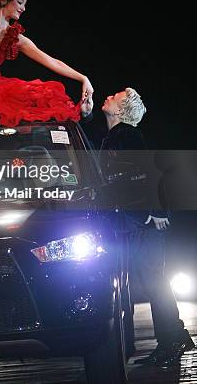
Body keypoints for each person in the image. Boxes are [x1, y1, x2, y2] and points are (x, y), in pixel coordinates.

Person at [81, 89, 195, 368]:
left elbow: (149, 173)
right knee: (148, 281)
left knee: (154, 281)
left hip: (141, 221)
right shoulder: (113, 135)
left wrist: (154, 212)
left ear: (122, 109)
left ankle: (174, 339)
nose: (108, 96)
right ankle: (172, 338)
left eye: (115, 96)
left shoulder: (127, 134)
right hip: (132, 221)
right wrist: (85, 115)